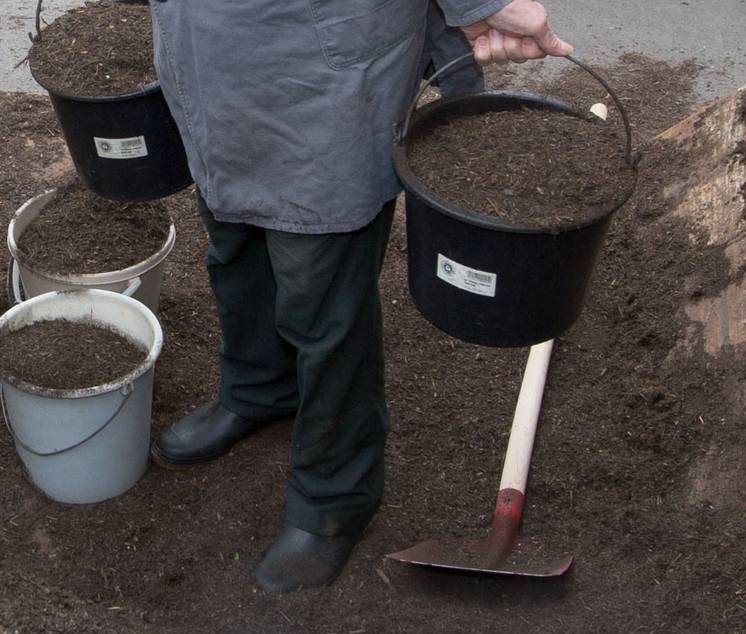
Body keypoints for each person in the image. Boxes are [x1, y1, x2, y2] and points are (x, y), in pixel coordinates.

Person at [146, 0, 572, 592]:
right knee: (235, 246)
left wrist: (482, 4)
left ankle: (334, 497)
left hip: (315, 59)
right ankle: (259, 389)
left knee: (320, 292)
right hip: (213, 50)